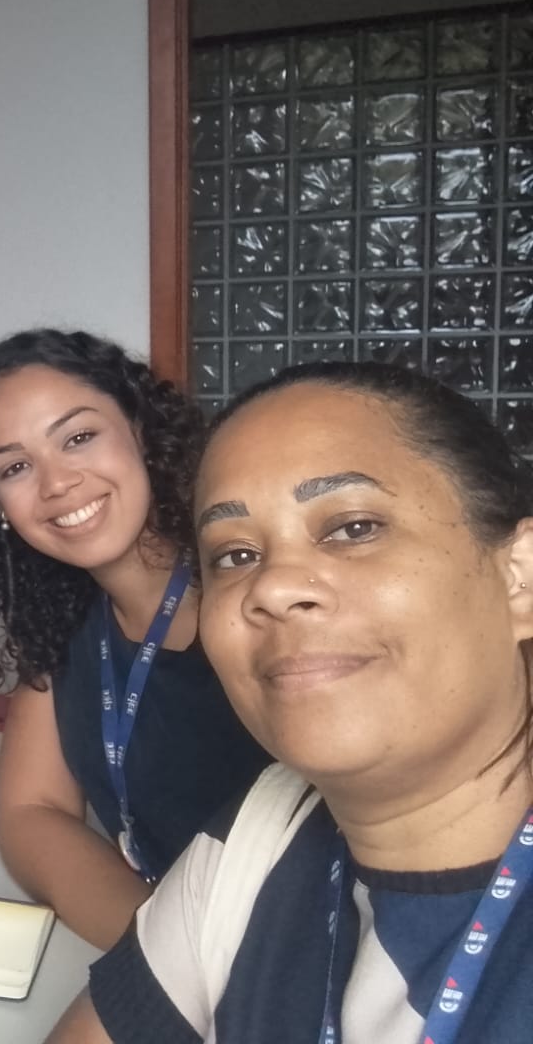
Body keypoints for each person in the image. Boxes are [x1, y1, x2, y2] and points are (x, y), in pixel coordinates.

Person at [50, 361, 533, 1043]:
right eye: (236, 556)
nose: (273, 587)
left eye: (353, 528)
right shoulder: (261, 833)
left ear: (519, 578)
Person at [0, 329, 269, 948]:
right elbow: (31, 811)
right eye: (15, 467)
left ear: (138, 429)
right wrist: (160, 953)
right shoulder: (65, 616)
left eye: (79, 437)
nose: (56, 482)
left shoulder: (260, 598)